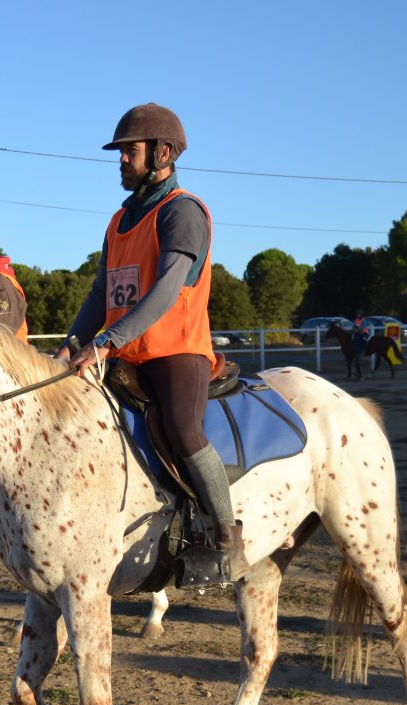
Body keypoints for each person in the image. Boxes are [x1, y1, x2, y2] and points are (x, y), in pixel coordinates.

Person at [55, 102, 236, 581]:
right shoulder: (118, 220)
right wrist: (74, 342)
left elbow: (165, 291)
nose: (120, 160)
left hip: (175, 353)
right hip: (122, 353)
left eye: (129, 151)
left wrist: (105, 341)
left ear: (163, 154)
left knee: (183, 429)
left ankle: (224, 535)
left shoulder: (183, 211)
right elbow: (101, 291)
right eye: (120, 152)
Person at [351, 310, 374, 380]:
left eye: (359, 314)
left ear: (361, 315)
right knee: (353, 339)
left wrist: (356, 329)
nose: (357, 316)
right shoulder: (356, 320)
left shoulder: (365, 321)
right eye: (357, 314)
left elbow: (361, 328)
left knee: (363, 340)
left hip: (364, 334)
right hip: (357, 334)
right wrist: (353, 330)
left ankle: (364, 350)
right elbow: (354, 327)